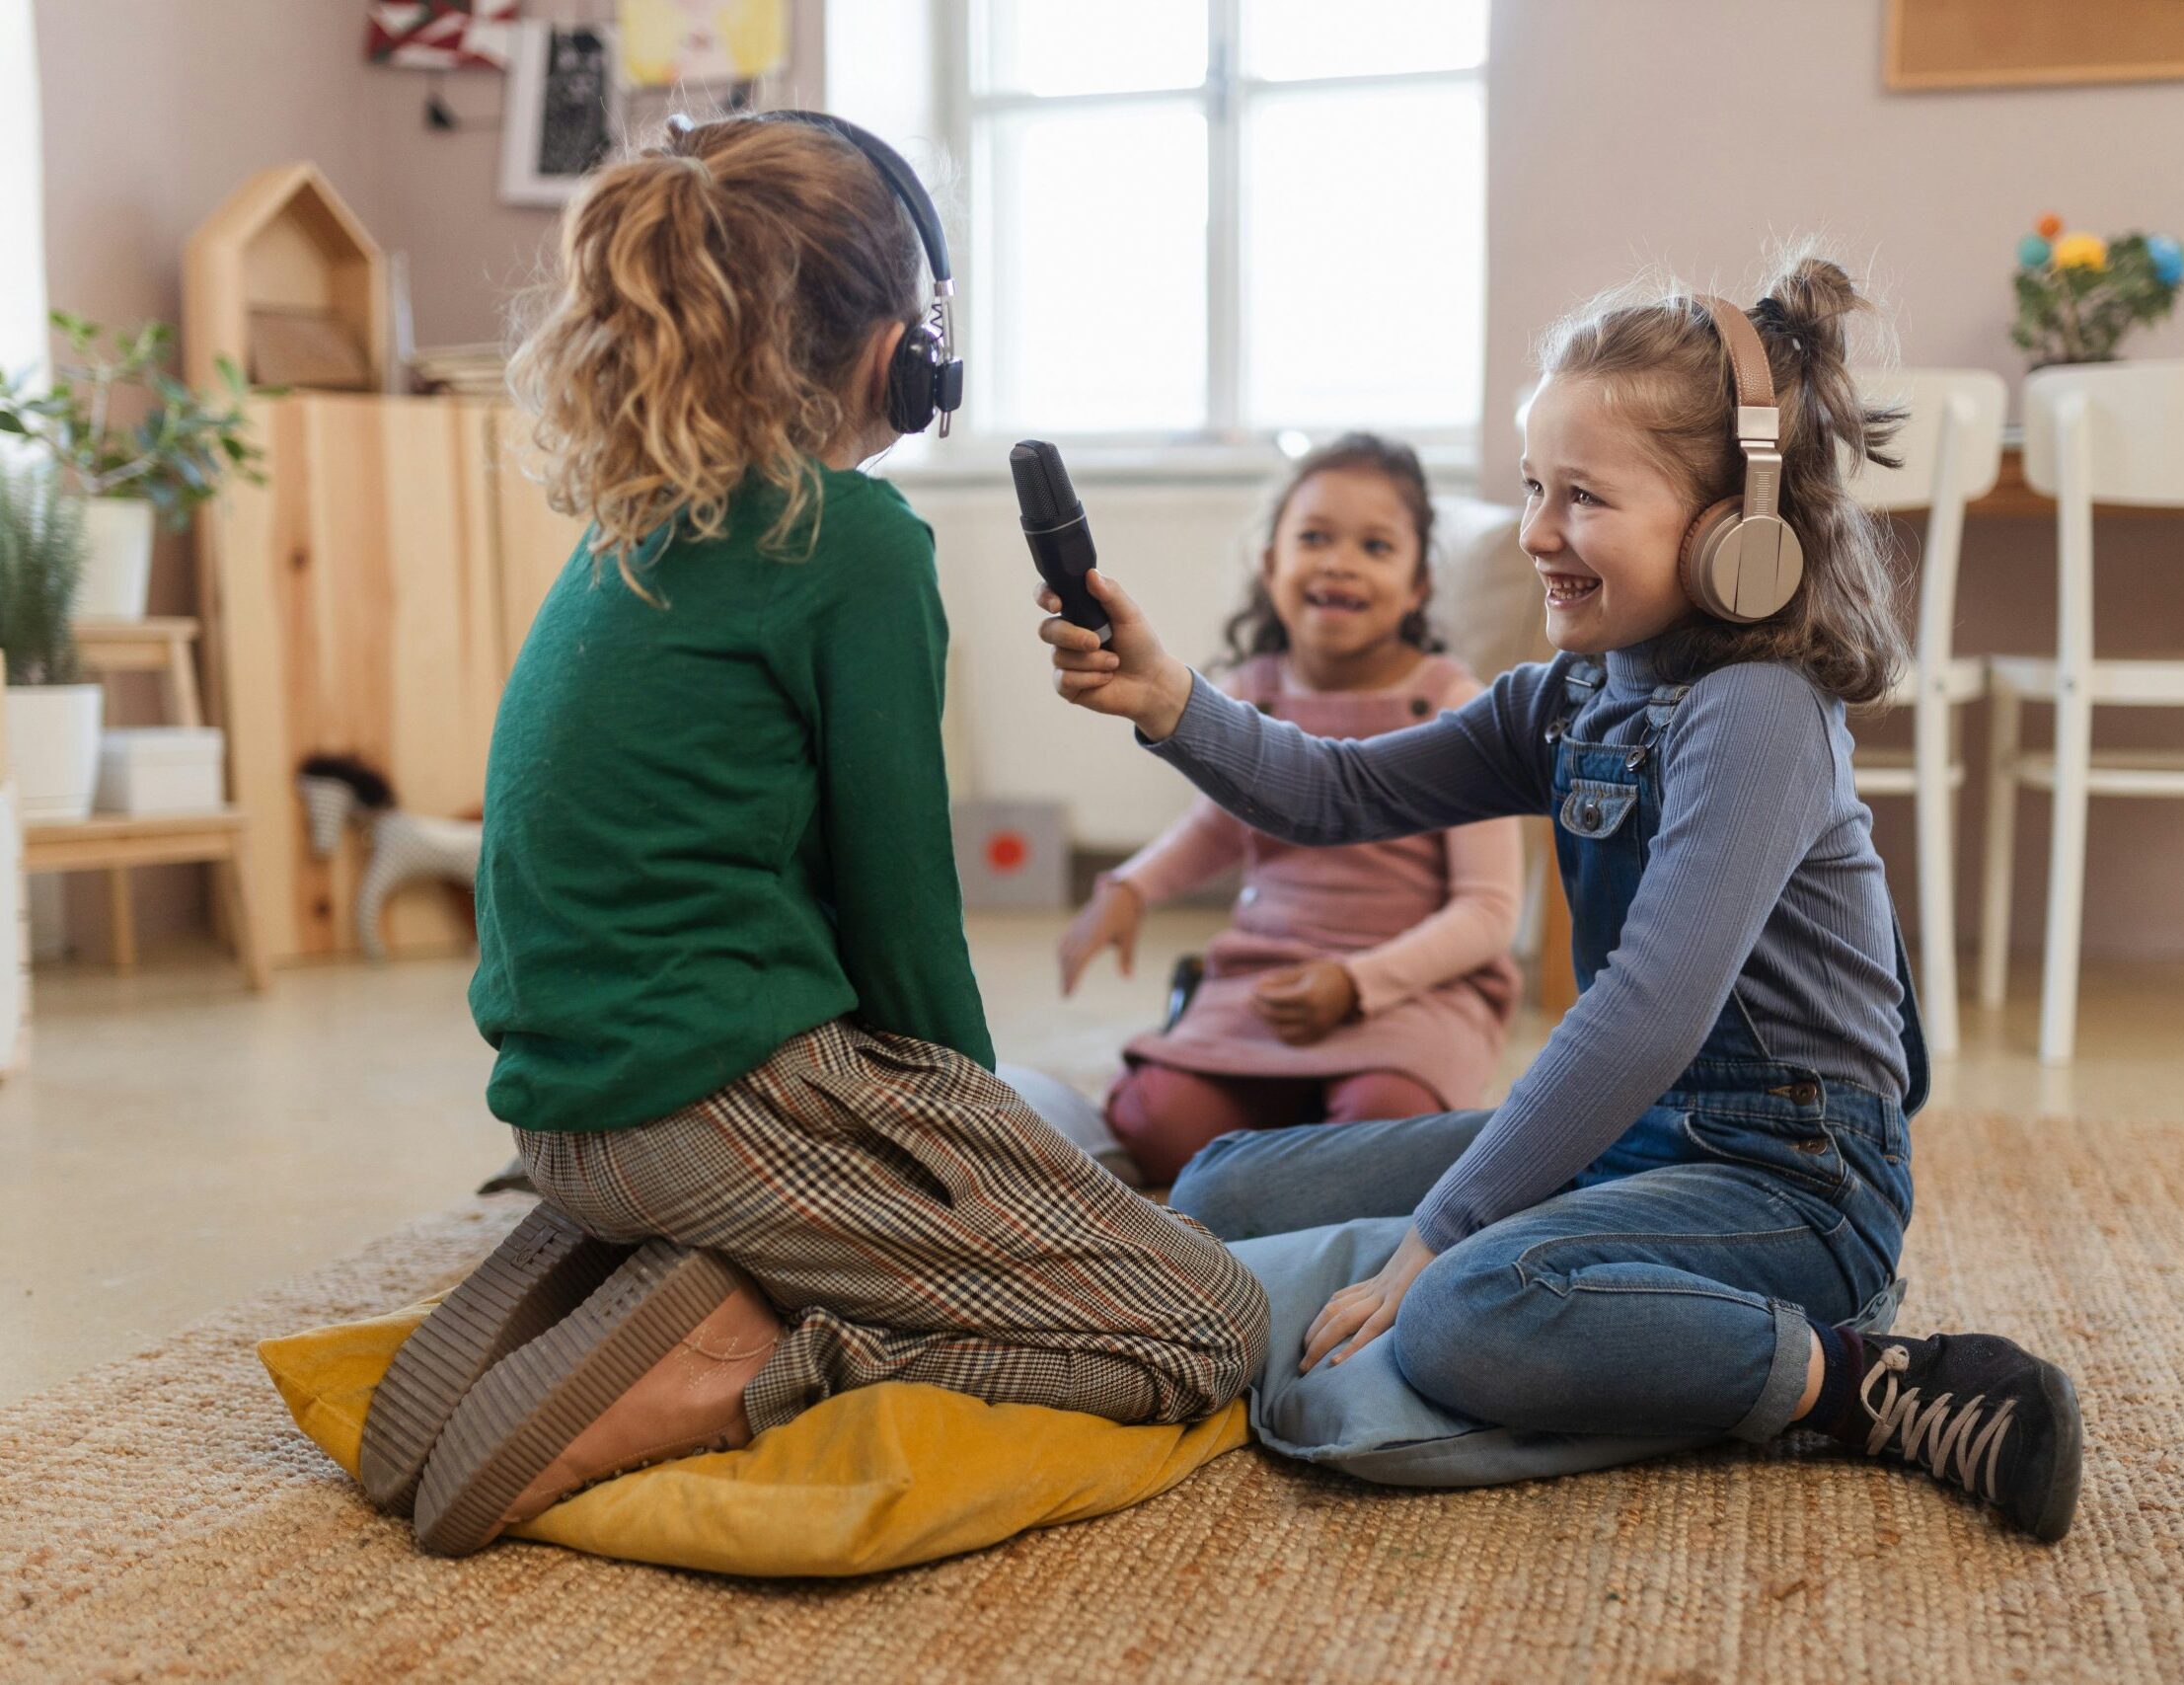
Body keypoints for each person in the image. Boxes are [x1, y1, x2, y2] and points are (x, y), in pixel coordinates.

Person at [1035, 257, 2084, 1543]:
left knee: (1471, 1308)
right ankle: (1618, 1299)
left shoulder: (1757, 710)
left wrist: (1441, 1229)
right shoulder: (1566, 696)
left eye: (1581, 497)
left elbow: (1648, 1008)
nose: (1534, 529)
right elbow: (1331, 792)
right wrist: (1168, 699)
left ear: (1734, 527)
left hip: (1796, 1176)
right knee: (1222, 1184)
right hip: (1641, 1136)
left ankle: (1864, 1380)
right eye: (1534, 487)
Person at [372, 112, 1266, 1558]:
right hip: (709, 1103)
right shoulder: (852, 539)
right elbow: (905, 909)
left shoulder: (632, 523)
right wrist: (974, 1148)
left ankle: (625, 1268)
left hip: (565, 1104)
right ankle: (752, 1344)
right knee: (1206, 1320)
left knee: (1041, 1161)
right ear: (906, 352)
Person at [1061, 433, 1522, 1184]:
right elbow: (1214, 826)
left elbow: (1487, 912)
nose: (1338, 560)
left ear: (1416, 588)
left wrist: (1356, 984)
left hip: (1410, 994)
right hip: (1268, 977)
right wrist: (1132, 886)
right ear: (1270, 564)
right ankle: (1292, 1128)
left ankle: (1316, 1128)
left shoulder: (1450, 705)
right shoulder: (1253, 691)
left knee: (1385, 1120)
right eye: (1313, 537)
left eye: (1375, 545)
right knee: (1153, 1123)